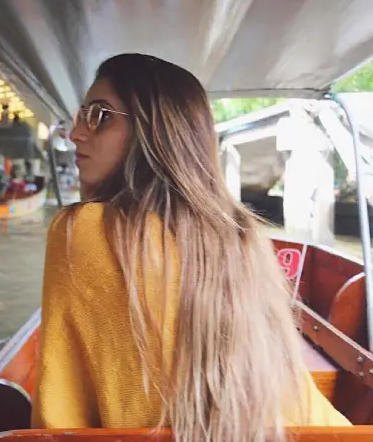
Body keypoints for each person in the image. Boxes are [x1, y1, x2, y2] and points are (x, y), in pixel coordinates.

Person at [31, 53, 349, 442]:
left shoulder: (80, 232)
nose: (76, 133)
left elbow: (59, 411)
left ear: (154, 132)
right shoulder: (243, 238)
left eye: (100, 116)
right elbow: (293, 396)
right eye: (82, 115)